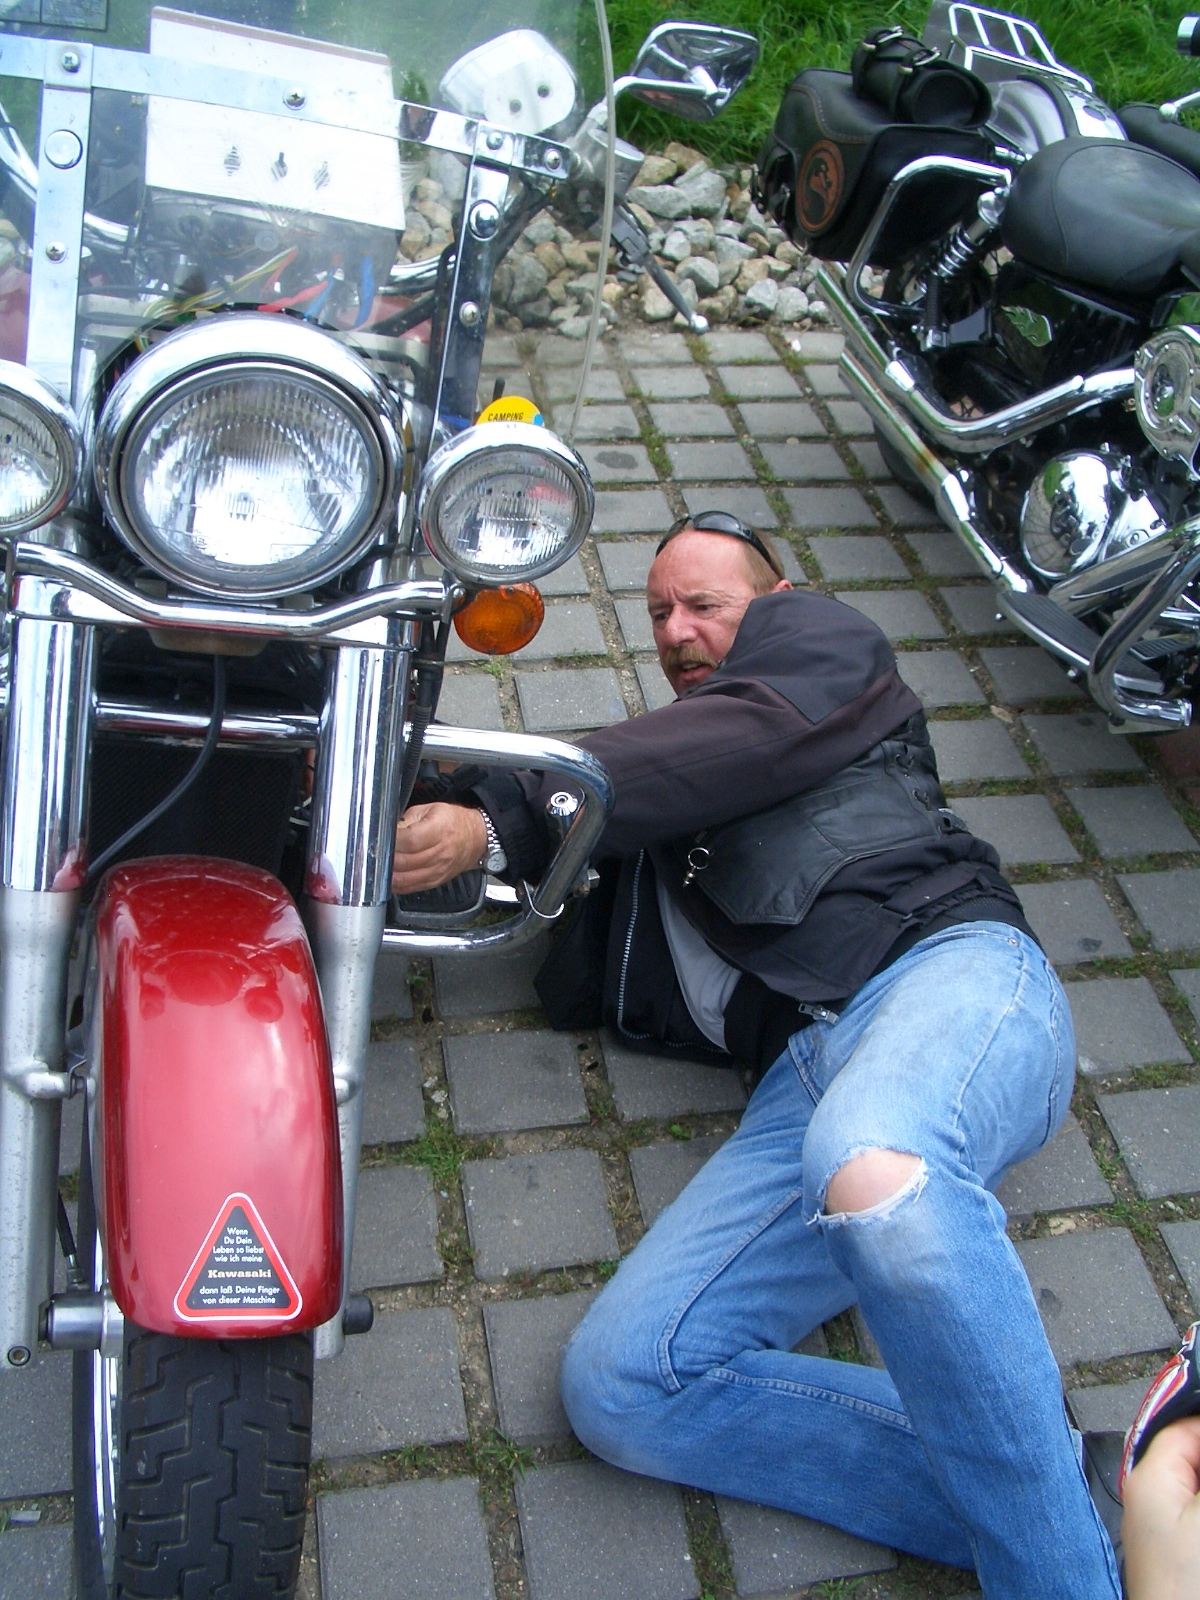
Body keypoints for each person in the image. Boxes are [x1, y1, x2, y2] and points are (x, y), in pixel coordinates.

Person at [391, 512, 1120, 1600]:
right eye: (657, 614)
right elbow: (581, 797)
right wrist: (410, 788)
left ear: (780, 600)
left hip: (947, 977)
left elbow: (665, 760)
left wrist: (503, 823)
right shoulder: (660, 778)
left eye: (705, 604)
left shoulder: (827, 650)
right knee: (625, 1387)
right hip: (805, 1086)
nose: (675, 630)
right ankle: (1103, 1503)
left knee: (881, 1178)